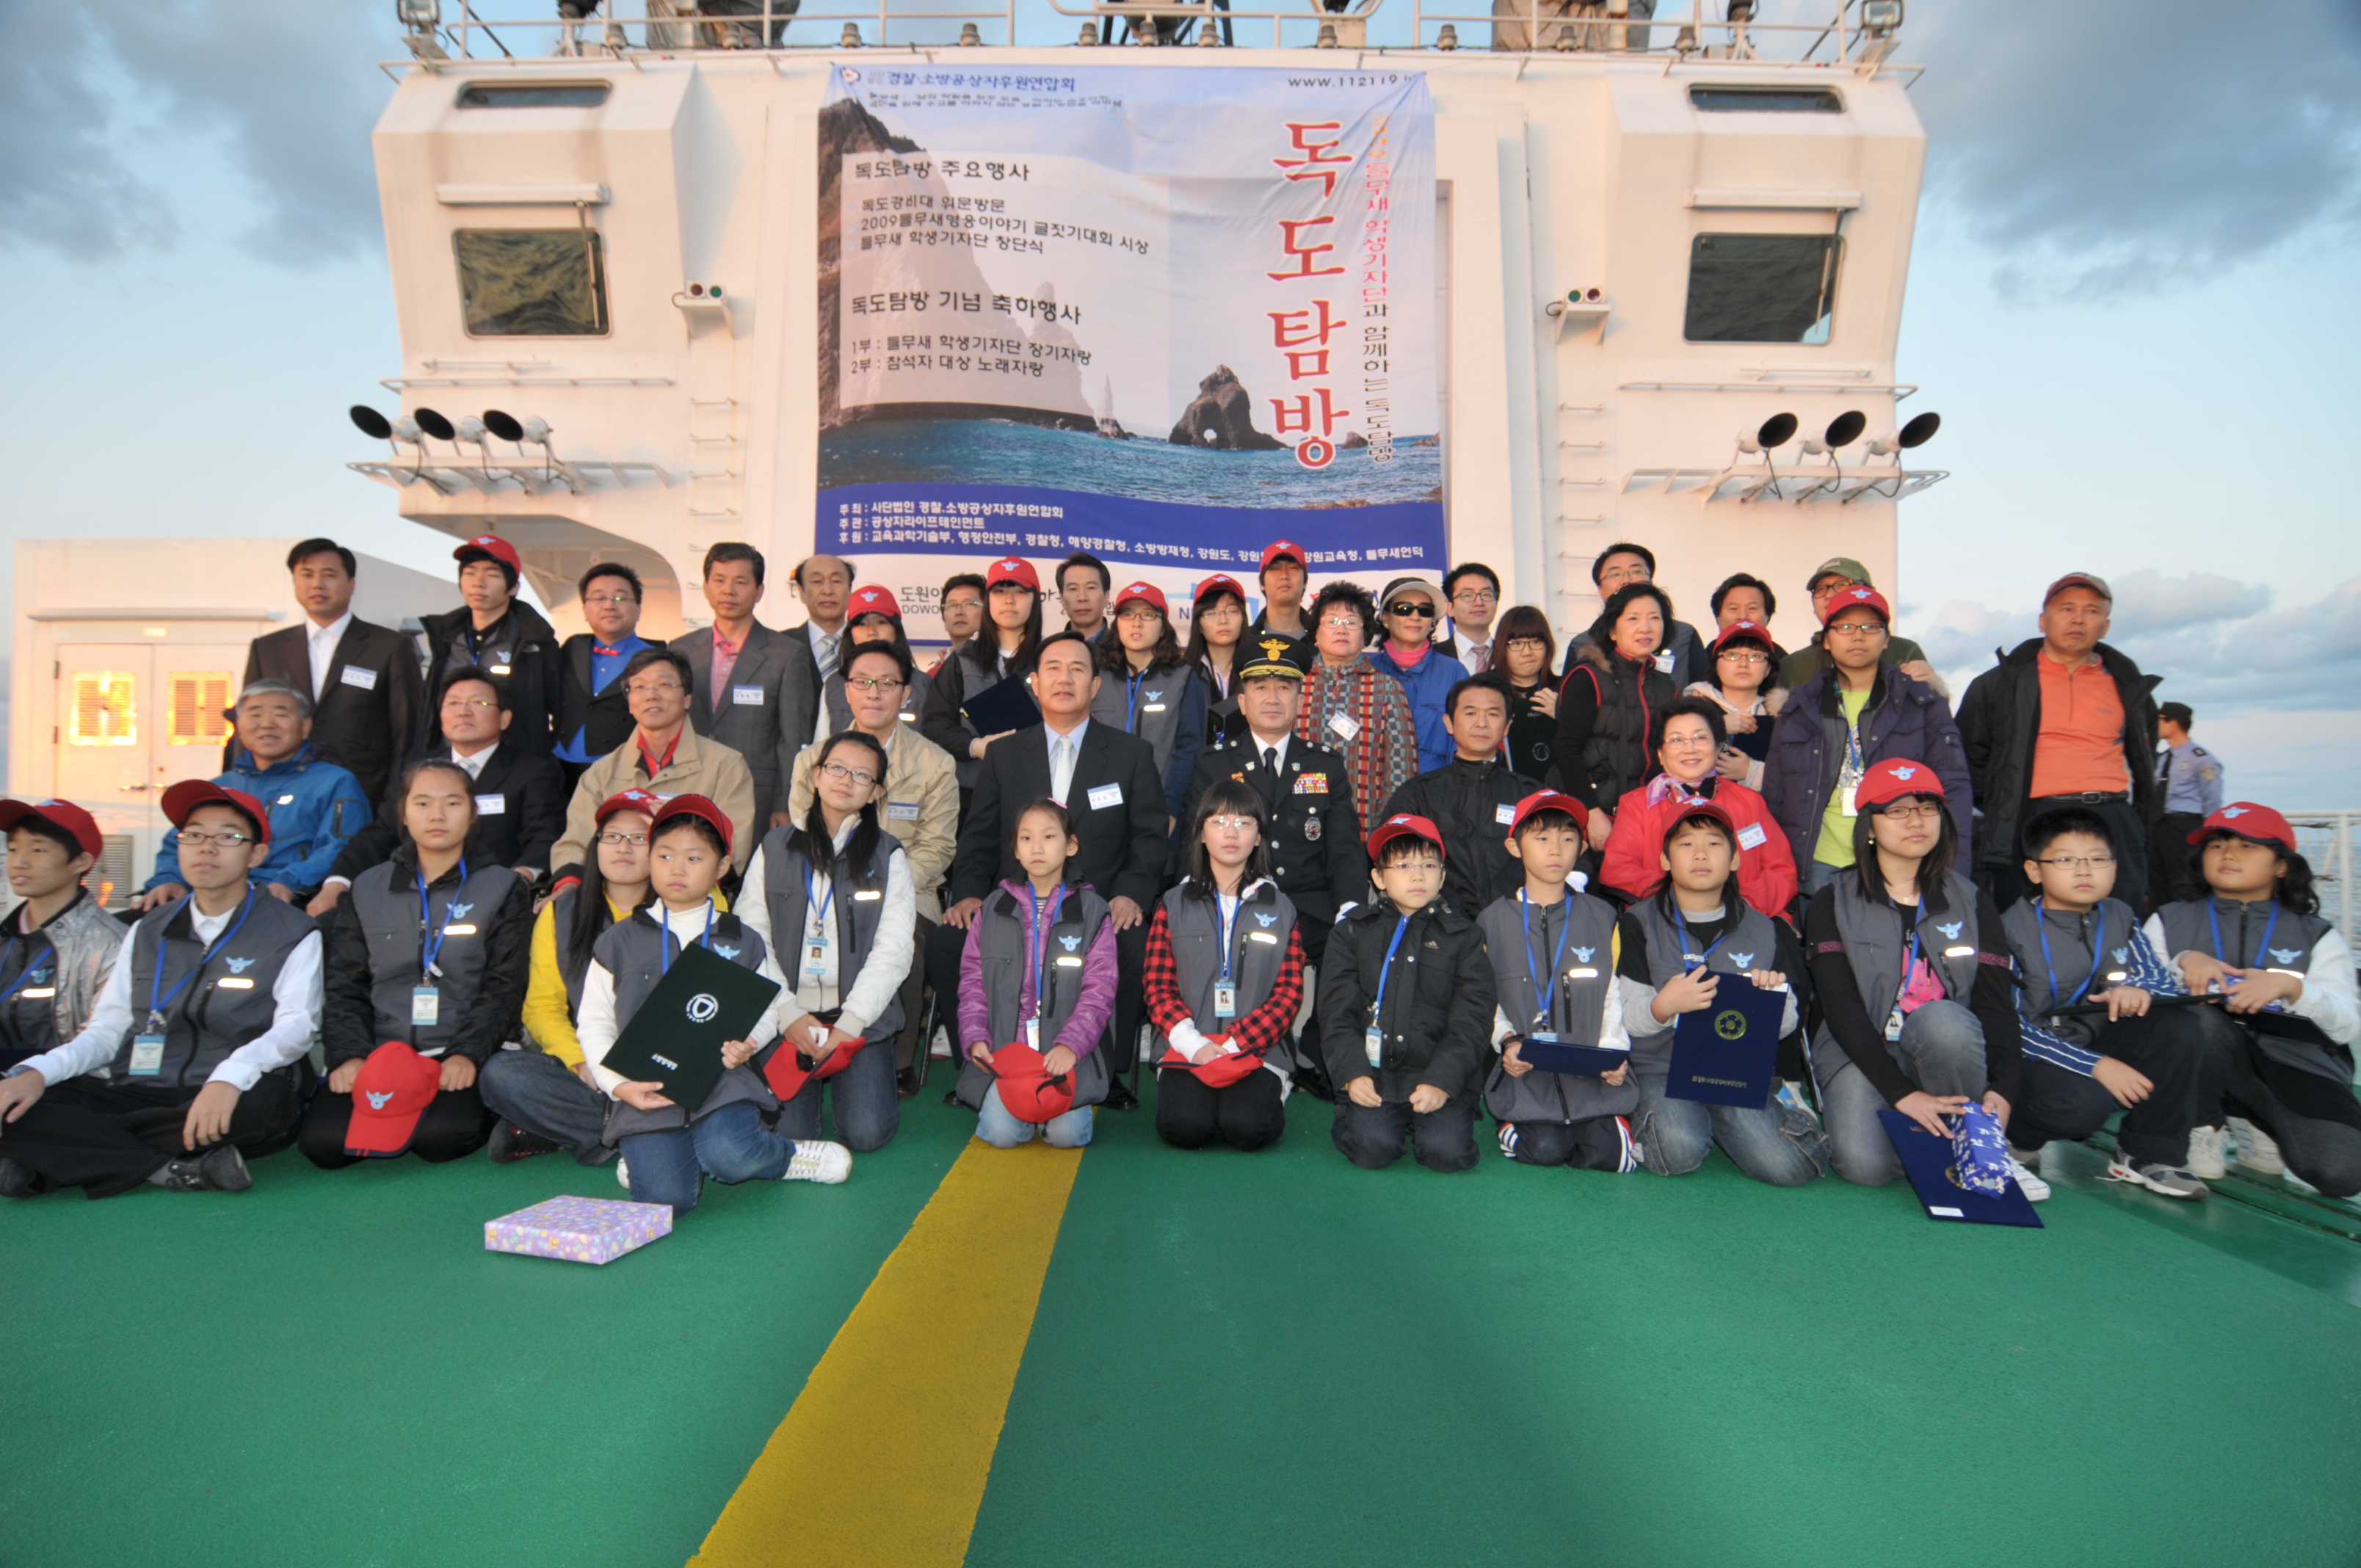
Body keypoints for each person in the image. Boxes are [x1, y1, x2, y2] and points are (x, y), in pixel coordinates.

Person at [0, 783, 319, 1198]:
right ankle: (168, 1168)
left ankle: (64, 1158)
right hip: (139, 1089)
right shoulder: (147, 929)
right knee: (17, 1101)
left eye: (228, 836)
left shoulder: (292, 930)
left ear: (256, 854)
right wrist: (38, 1072)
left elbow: (296, 1027)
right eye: (194, 835)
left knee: (262, 1106)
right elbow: (108, 1029)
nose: (207, 847)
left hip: (230, 1086)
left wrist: (229, 1077)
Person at [576, 796, 852, 1210]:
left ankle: (782, 1156)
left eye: (694, 857)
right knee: (666, 1200)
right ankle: (651, 1158)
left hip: (722, 1080)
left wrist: (750, 1043)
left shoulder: (742, 939)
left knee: (732, 1157)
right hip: (643, 1087)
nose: (677, 869)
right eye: (665, 855)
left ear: (722, 867)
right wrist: (618, 1085)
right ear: (649, 860)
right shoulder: (618, 940)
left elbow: (767, 1007)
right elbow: (595, 1022)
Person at [934, 630, 1166, 1110]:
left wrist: (1131, 895)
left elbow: (1149, 837)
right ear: (1035, 684)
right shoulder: (1004, 754)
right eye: (1053, 669)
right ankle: (981, 1065)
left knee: (1134, 943)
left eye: (1077, 669)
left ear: (1095, 686)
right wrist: (969, 893)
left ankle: (1106, 1071)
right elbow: (979, 836)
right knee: (948, 941)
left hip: (1098, 909)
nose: (1065, 679)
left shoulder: (1131, 754)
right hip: (1016, 905)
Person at [1803, 759, 2039, 1195]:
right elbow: (1842, 1011)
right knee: (1864, 1167)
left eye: (1928, 808)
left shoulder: (1972, 901)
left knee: (1944, 1020)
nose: (1916, 821)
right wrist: (1902, 1094)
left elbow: (1996, 1004)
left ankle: (1980, 1145)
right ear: (1870, 827)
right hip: (1860, 1051)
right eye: (1897, 810)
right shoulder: (1831, 900)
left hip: (1941, 1050)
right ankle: (1932, 1141)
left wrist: (2005, 1088)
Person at [300, 761, 531, 1168]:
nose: (437, 815)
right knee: (325, 1146)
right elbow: (346, 984)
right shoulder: (366, 888)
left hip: (456, 1050)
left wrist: (467, 1054)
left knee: (441, 1140)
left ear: (473, 814)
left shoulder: (502, 886)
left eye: (452, 803)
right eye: (422, 803)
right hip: (381, 1053)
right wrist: (350, 1055)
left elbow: (504, 984)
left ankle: (497, 1112)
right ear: (403, 814)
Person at [1999, 807, 2211, 1199]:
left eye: (2097, 860)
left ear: (2114, 867)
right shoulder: (2008, 930)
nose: (2084, 871)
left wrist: (2139, 990)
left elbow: (2161, 982)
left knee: (2178, 1026)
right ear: (2034, 871)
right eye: (2065, 860)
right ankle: (2018, 1136)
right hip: (2032, 1057)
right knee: (2081, 1107)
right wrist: (2096, 1066)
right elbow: (2008, 1028)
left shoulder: (2120, 916)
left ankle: (2150, 1154)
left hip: (2097, 1037)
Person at [1617, 801, 1828, 1185]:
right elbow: (1627, 1018)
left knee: (1791, 1169)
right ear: (1665, 860)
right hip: (1661, 1068)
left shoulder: (1764, 928)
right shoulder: (1637, 922)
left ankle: (1764, 1104)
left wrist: (1771, 1002)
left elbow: (1788, 1025)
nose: (1700, 854)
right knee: (1678, 1153)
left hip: (1733, 1071)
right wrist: (1664, 1006)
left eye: (1714, 843)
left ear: (1734, 860)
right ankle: (1681, 1115)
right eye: (1685, 844)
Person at [2158, 805, 2360, 1197]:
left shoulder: (2317, 934)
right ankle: (2204, 1124)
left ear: (2282, 866)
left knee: (2343, 1174)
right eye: (2217, 844)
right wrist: (2181, 964)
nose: (2229, 853)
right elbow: (2135, 997)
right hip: (2203, 1057)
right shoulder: (2168, 920)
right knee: (2198, 1022)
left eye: (2248, 845)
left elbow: (2347, 1025)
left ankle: (2254, 1120)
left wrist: (2292, 988)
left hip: (2294, 1064)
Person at [793, 640, 959, 1097]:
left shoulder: (935, 763)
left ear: (906, 693)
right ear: (845, 691)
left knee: (906, 937)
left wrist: (886, 893)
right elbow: (802, 840)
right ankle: (804, 1040)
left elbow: (938, 847)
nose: (874, 692)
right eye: (862, 681)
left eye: (887, 683)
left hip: (909, 892)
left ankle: (896, 1058)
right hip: (823, 888)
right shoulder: (812, 761)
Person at [744, 729, 917, 1154]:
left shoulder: (888, 855)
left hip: (858, 1021)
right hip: (788, 1016)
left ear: (876, 792)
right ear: (817, 775)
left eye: (862, 775)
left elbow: (894, 950)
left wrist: (850, 1024)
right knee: (790, 1136)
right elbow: (752, 938)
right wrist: (786, 1014)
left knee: (866, 1135)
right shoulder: (774, 847)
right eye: (837, 768)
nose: (846, 780)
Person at [479, 788, 666, 1166]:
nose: (623, 847)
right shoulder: (562, 911)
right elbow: (542, 1007)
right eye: (612, 836)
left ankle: (604, 1132)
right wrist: (582, 1062)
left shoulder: (688, 905)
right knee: (501, 1074)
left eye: (640, 837)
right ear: (595, 846)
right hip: (595, 1062)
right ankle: (646, 1131)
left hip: (664, 1062)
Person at [1957, 572, 2161, 915]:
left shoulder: (2130, 686)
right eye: (2066, 608)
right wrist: (2005, 805)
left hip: (2112, 816)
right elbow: (1969, 755)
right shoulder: (1999, 684)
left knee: (2118, 922)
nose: (2078, 619)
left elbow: (2145, 755)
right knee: (2023, 926)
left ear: (2106, 626)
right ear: (2043, 621)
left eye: (2092, 611)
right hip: (2029, 817)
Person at [308, 667, 568, 918]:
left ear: (504, 718)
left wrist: (516, 881)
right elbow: (382, 833)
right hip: (412, 897)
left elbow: (544, 835)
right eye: (453, 703)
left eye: (479, 703)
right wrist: (337, 883)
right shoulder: (413, 768)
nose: (463, 711)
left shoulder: (533, 771)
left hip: (493, 898)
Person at [1763, 587, 1971, 899]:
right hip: (1817, 863)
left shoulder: (1922, 702)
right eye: (1845, 626)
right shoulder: (1799, 707)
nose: (1858, 636)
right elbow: (1775, 796)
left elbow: (1953, 788)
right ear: (1827, 640)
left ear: (1886, 639)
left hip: (1899, 862)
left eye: (1871, 627)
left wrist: (1952, 877)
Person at [1321, 813, 1495, 1172]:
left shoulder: (1465, 936)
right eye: (1403, 865)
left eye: (1429, 865)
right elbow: (1337, 1013)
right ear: (1378, 877)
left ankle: (1432, 1117)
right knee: (1373, 1149)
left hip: (1437, 1072)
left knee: (1447, 1155)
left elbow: (1473, 1020)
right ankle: (1352, 1116)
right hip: (1375, 1073)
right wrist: (1353, 1073)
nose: (1418, 875)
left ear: (1442, 876)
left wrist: (1442, 1082)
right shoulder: (1351, 933)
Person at [1480, 792, 1644, 1172]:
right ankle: (1511, 1122)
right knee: (1546, 1151)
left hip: (1591, 1073)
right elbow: (1485, 1000)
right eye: (1541, 838)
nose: (1556, 850)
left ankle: (1602, 1121)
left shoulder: (1603, 915)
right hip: (1526, 1072)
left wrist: (1613, 1052)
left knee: (1612, 1158)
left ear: (1582, 847)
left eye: (1568, 839)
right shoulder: (1491, 921)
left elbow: (1612, 992)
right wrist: (1506, 1041)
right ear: (1514, 847)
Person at [1145, 782, 1308, 1152]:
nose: (1231, 833)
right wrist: (1195, 1045)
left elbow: (1289, 993)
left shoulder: (1281, 908)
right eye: (1218, 822)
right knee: (1185, 1128)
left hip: (1257, 1047)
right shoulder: (1173, 903)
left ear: (1259, 837)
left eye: (1244, 823)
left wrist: (1238, 1044)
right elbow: (1157, 986)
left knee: (1248, 1129)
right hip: (1188, 1043)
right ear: (1202, 833)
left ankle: (1274, 1087)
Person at [953, 798, 1116, 1150]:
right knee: (1004, 1135)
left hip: (1065, 1056)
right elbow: (972, 983)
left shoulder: (1093, 910)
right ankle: (1014, 1107)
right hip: (1007, 1056)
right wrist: (975, 1037)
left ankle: (1064, 1108)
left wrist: (1071, 1046)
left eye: (1049, 836)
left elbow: (1100, 990)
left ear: (1071, 845)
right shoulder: (993, 908)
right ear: (1015, 848)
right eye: (1026, 838)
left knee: (1066, 1136)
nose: (1037, 848)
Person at [135, 680, 372, 912]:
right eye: (255, 714)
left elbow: (342, 847)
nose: (267, 724)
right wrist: (169, 880)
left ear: (305, 727)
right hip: (214, 898)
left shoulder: (335, 781)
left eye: (281, 714)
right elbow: (181, 841)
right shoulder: (220, 787)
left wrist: (288, 882)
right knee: (136, 923)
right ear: (239, 725)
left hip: (295, 897)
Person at [547, 647, 759, 885]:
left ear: (687, 698)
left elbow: (732, 849)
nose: (651, 695)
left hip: (691, 898)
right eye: (639, 687)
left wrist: (675, 826)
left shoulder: (726, 766)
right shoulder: (602, 772)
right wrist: (568, 887)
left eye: (664, 685)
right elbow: (576, 843)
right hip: (613, 899)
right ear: (629, 702)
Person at [237, 537, 424, 805]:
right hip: (279, 797)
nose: (317, 584)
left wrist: (396, 803)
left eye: (329, 575)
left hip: (364, 796)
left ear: (351, 584)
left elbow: (409, 732)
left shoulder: (390, 647)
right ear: (295, 582)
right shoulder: (267, 649)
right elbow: (247, 722)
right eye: (307, 575)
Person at [1597, 697, 1798, 920]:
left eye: (1700, 737)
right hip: (1665, 921)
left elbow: (1781, 869)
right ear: (1661, 754)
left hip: (1745, 918)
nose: (1690, 748)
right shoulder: (1637, 805)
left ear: (1717, 747)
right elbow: (1617, 869)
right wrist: (1685, 900)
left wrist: (1743, 904)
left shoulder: (1749, 801)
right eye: (1676, 740)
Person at [669, 543, 822, 835]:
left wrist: (785, 803)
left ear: (759, 591)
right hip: (688, 786)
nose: (728, 590)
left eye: (740, 582)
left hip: (754, 795)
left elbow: (794, 738)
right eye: (719, 580)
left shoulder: (787, 653)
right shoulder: (681, 649)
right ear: (706, 588)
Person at [1381, 675, 1537, 919]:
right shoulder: (1418, 794)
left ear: (1507, 725)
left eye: (1493, 714)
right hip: (1439, 927)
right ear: (1449, 723)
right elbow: (1387, 858)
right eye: (1470, 713)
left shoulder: (1531, 795)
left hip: (1519, 923)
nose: (1482, 723)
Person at [0, 800, 128, 1074]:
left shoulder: (113, 944)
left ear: (81, 862)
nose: (19, 862)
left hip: (66, 1084)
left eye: (38, 850)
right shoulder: (6, 935)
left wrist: (38, 1075)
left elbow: (104, 1042)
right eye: (12, 849)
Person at [1553, 580, 1680, 853]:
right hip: (1599, 817)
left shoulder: (1667, 687)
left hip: (1648, 818)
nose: (1645, 627)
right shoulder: (1589, 677)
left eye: (1654, 618)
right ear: (1612, 630)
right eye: (1633, 618)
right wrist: (1592, 812)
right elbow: (1566, 748)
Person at [1296, 581, 1418, 841]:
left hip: (1364, 830)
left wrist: (1383, 830)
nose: (1341, 629)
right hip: (1298, 830)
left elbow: (1401, 769)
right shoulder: (1296, 686)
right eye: (1332, 621)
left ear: (1365, 636)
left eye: (1352, 622)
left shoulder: (1387, 688)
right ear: (1316, 634)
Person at [420, 534, 562, 755]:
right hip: (449, 759)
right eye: (470, 573)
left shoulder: (534, 642)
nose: (478, 582)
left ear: (514, 588)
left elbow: (561, 708)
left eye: (492, 574)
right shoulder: (444, 637)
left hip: (514, 763)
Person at [923, 556, 1045, 799]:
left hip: (1038, 789)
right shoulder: (963, 658)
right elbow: (935, 723)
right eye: (1000, 591)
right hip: (973, 791)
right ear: (988, 600)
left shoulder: (1052, 657)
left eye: (1020, 592)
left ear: (1035, 600)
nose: (1009, 600)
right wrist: (974, 747)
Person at [1092, 581, 1207, 832]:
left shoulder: (1183, 678)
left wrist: (1171, 807)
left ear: (1164, 626)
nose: (1137, 623)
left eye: (1148, 615)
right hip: (1100, 809)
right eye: (1128, 614)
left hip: (1159, 810)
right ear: (1117, 623)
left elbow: (1190, 748)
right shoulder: (1097, 677)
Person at [555, 562, 653, 793]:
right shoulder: (572, 647)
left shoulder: (655, 657)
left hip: (625, 772)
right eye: (599, 598)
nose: (609, 605)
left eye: (620, 598)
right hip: (561, 769)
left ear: (638, 609)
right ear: (585, 610)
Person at [1778, 556, 1940, 693]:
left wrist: (1934, 687)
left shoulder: (1905, 651)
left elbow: (1932, 713)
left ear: (1870, 592)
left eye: (1842, 584)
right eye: (1821, 589)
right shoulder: (1792, 665)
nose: (1829, 594)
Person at [1564, 544, 1706, 691]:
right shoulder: (1582, 644)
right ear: (1600, 590)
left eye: (1636, 572)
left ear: (1651, 581)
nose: (1626, 580)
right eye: (1615, 574)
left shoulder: (1685, 635)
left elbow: (1704, 689)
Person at [1366, 576, 1469, 775]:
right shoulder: (1366, 671)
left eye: (1425, 610)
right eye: (1404, 609)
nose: (1415, 616)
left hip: (1439, 786)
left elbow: (1464, 742)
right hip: (1378, 785)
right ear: (1385, 618)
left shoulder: (1454, 672)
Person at [819, 585, 936, 738]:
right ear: (850, 633)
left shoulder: (922, 683)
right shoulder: (834, 683)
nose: (871, 632)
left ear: (896, 630)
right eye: (862, 624)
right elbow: (822, 743)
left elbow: (933, 744)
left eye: (881, 622)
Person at [1688, 619, 1782, 792]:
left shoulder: (1783, 714)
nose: (1743, 664)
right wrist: (1718, 727)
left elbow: (1798, 775)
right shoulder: (1691, 707)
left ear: (1768, 669)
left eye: (1755, 656)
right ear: (1716, 665)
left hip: (1762, 808)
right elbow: (1675, 757)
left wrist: (1751, 772)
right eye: (1732, 655)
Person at [2150, 700, 2223, 906]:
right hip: (2159, 825)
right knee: (2156, 879)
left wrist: (2209, 832)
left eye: (2159, 720)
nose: (2155, 725)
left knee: (2183, 878)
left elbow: (2212, 798)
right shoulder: (2162, 759)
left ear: (2173, 723)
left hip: (2185, 826)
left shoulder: (2200, 759)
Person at [1493, 605, 1560, 783]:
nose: (1527, 652)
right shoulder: (1488, 692)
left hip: (1558, 792)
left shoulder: (1566, 688)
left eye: (1536, 642)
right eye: (1516, 644)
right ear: (1501, 647)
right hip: (1504, 791)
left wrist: (1564, 714)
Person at [1183, 573, 1250, 746]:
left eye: (1232, 611)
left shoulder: (1258, 672)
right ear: (1198, 624)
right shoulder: (1183, 674)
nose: (1223, 620)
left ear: (1243, 618)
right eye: (1212, 612)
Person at [783, 553, 856, 700]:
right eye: (817, 582)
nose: (827, 591)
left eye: (836, 581)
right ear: (802, 593)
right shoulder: (780, 645)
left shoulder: (867, 646)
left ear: (850, 590)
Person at [1245, 539, 1316, 669]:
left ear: (1305, 582)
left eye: (1293, 568)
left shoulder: (1322, 640)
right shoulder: (1245, 640)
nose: (1284, 576)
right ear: (1262, 584)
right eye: (1275, 568)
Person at [1707, 572, 1786, 667]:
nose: (1743, 616)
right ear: (1718, 616)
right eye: (1734, 609)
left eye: (1752, 608)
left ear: (1767, 616)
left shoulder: (1786, 665)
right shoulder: (1699, 661)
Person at [1435, 562, 1501, 673]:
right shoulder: (1432, 657)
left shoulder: (1509, 655)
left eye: (1486, 594)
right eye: (1467, 596)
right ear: (1450, 608)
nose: (1479, 602)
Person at [934, 573, 987, 674]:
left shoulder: (1000, 665)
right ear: (944, 622)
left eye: (969, 604)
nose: (959, 612)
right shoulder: (934, 674)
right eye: (951, 605)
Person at [1055, 552, 1112, 642]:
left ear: (1106, 597)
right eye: (1073, 589)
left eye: (1091, 588)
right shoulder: (1051, 648)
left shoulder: (1122, 648)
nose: (1082, 598)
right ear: (1062, 599)